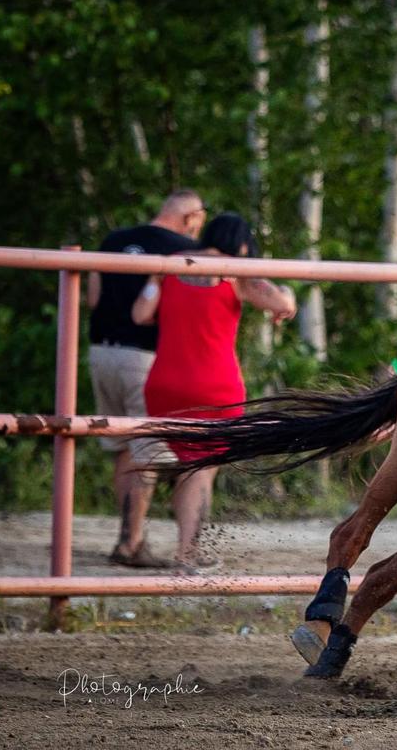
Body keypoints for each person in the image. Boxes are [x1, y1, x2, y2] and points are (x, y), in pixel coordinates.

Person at [132, 212, 296, 571]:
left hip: (165, 383)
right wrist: (288, 292)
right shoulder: (236, 271)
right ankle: (188, 552)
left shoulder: (170, 265)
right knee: (201, 469)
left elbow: (141, 314)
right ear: (240, 244)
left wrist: (157, 283)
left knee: (182, 463)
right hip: (215, 385)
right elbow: (281, 305)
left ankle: (156, 544)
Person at [88, 188, 206, 567]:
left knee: (123, 447)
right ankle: (131, 544)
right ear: (190, 218)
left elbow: (93, 298)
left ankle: (130, 539)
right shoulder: (181, 251)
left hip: (100, 352)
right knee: (148, 455)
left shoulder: (113, 240)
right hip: (144, 356)